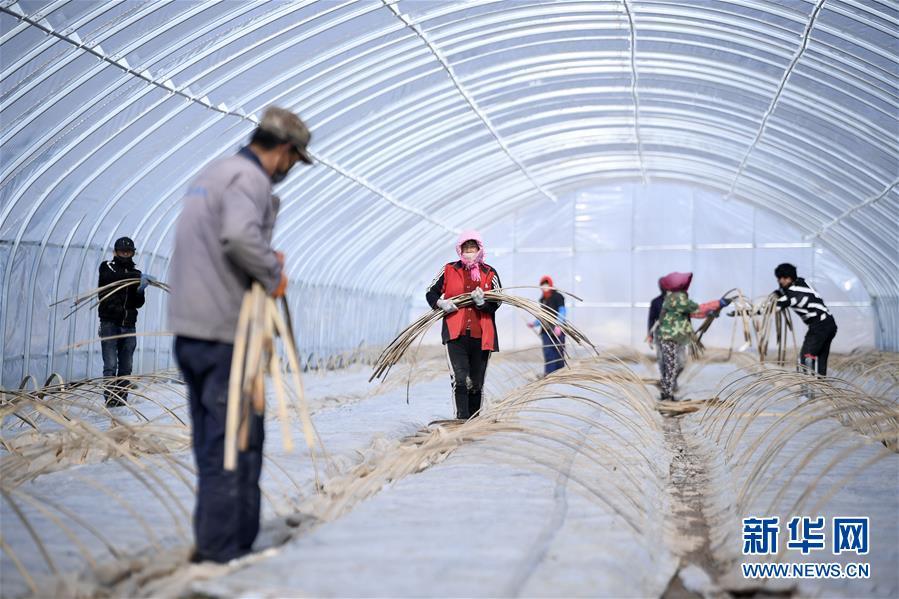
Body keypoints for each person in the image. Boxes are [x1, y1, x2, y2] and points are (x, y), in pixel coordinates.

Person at [167, 106, 311, 564]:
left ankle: (221, 542)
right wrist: (272, 273)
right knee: (237, 442)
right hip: (223, 333)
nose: (290, 170)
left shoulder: (215, 172)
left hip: (192, 331)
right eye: (294, 160)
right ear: (284, 151)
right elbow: (237, 237)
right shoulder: (249, 180)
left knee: (215, 441)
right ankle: (223, 553)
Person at [426, 230, 502, 420]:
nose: (469, 251)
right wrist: (440, 303)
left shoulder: (489, 272)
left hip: (481, 335)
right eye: (466, 247)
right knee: (460, 379)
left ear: (479, 249)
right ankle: (461, 419)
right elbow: (431, 292)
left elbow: (498, 301)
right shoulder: (449, 269)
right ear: (460, 249)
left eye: (473, 247)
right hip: (455, 334)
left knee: (475, 383)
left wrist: (481, 303)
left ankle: (473, 419)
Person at [656, 272, 730, 401]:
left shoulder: (675, 297)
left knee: (677, 364)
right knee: (672, 366)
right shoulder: (676, 298)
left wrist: (710, 312)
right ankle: (667, 395)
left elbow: (693, 313)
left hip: (675, 338)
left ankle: (667, 391)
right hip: (670, 338)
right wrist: (718, 303)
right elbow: (696, 309)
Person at [98, 236, 153, 407]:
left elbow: (138, 304)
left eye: (128, 251)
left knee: (126, 365)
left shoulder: (136, 274)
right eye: (122, 251)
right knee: (110, 364)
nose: (125, 254)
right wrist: (134, 278)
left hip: (128, 325)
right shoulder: (107, 267)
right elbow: (110, 279)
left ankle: (121, 399)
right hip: (109, 324)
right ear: (115, 252)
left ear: (133, 253)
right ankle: (110, 399)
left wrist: (140, 290)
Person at [774, 263, 838, 376]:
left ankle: (809, 389)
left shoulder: (794, 294)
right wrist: (778, 293)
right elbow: (784, 293)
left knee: (806, 358)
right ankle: (821, 386)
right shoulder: (802, 282)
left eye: (783, 278)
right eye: (779, 278)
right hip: (829, 324)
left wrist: (751, 310)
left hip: (820, 326)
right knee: (821, 357)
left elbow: (776, 307)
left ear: (790, 278)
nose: (780, 281)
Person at [528, 275, 567, 375]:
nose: (545, 287)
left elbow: (562, 311)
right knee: (548, 353)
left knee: (559, 353)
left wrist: (559, 325)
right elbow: (542, 317)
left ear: (550, 285)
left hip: (558, 330)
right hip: (546, 331)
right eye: (543, 285)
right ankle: (549, 374)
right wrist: (534, 323)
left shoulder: (558, 297)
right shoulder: (542, 300)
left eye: (546, 284)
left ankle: (559, 374)